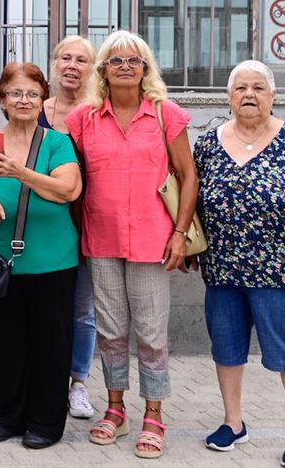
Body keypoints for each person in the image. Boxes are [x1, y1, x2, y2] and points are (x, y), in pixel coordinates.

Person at [65, 30, 197, 459]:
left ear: (145, 68)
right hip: (100, 239)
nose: (125, 67)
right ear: (102, 70)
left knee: (152, 333)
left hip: (153, 242)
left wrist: (179, 234)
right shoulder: (83, 120)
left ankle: (154, 414)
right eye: (116, 61)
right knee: (110, 331)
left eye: (133, 60)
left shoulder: (165, 115)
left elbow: (188, 176)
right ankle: (116, 408)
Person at [194, 60, 285, 468]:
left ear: (273, 96)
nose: (249, 94)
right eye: (240, 88)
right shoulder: (208, 144)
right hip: (222, 269)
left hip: (282, 272)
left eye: (258, 87)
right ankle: (233, 423)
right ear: (228, 97)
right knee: (227, 349)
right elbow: (192, 200)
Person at [0, 62, 82, 449]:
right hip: (0, 264)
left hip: (52, 262)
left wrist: (19, 172)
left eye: (32, 93)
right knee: (7, 343)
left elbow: (68, 190)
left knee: (50, 343)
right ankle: (9, 416)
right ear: (3, 101)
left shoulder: (57, 143)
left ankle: (46, 422)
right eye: (15, 94)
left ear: (43, 98)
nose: (24, 100)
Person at [40, 35, 99, 419]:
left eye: (82, 59)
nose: (72, 65)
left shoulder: (99, 111)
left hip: (88, 219)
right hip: (43, 224)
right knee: (46, 306)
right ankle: (46, 380)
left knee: (82, 309)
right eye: (65, 57)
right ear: (55, 63)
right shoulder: (34, 107)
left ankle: (78, 383)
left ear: (92, 69)